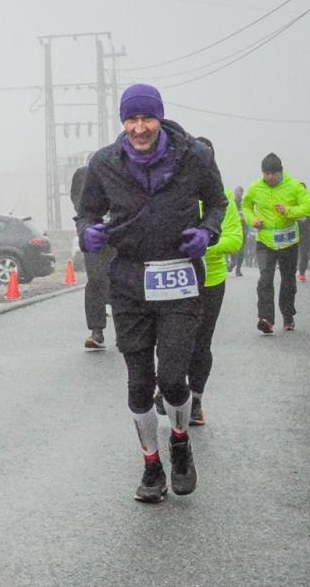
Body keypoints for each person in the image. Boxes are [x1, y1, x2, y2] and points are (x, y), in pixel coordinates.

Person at [74, 83, 225, 503]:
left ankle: (179, 442)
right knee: (139, 384)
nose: (139, 128)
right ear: (123, 122)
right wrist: (87, 231)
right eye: (131, 119)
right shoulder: (104, 163)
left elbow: (218, 203)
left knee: (173, 377)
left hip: (179, 279)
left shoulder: (194, 156)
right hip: (129, 282)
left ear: (159, 118)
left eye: (147, 119)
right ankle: (151, 466)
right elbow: (86, 211)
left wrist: (207, 232)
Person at [185, 138, 244, 427]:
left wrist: (203, 244)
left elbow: (235, 239)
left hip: (211, 280)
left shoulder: (223, 198)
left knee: (201, 343)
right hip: (179, 280)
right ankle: (170, 388)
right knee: (174, 340)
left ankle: (195, 401)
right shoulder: (177, 191)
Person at [242, 153, 310, 333]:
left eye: (274, 174)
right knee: (265, 279)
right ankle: (266, 319)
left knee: (288, 280)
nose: (270, 177)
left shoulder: (294, 186)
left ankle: (288, 316)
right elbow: (246, 206)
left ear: (281, 172)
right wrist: (253, 220)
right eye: (266, 174)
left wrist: (289, 210)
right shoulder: (255, 187)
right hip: (265, 242)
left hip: (288, 241)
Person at [72, 163, 115, 349]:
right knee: (95, 280)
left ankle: (124, 330)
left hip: (118, 233)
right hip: (93, 235)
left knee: (120, 280)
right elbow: (76, 197)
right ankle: (96, 332)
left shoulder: (119, 171)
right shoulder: (82, 174)